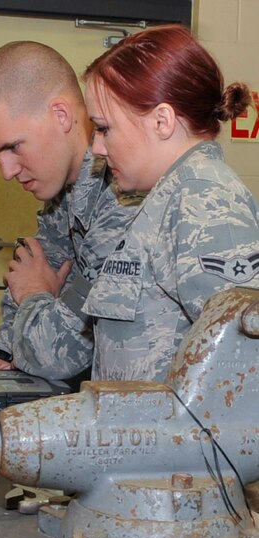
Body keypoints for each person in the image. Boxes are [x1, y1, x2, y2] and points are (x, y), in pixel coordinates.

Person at [0, 41, 141, 378]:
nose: (6, 171)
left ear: (61, 115)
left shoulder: (122, 196)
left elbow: (58, 354)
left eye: (13, 147)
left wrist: (36, 293)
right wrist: (5, 353)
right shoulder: (63, 197)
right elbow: (27, 281)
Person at [76, 23, 259, 382]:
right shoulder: (168, 197)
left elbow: (244, 368)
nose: (97, 147)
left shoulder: (204, 201)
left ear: (161, 121)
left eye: (104, 128)